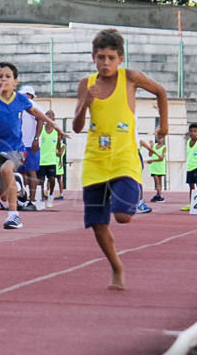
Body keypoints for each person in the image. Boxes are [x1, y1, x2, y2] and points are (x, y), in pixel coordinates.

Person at [72, 28, 168, 290]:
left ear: (121, 58)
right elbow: (77, 126)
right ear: (93, 57)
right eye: (101, 57)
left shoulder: (130, 78)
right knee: (98, 224)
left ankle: (135, 188)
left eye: (111, 58)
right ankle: (116, 266)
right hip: (95, 161)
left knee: (123, 216)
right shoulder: (87, 84)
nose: (105, 63)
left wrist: (164, 127)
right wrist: (85, 103)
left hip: (124, 158)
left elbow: (160, 92)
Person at [0, 61, 66, 230]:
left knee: (6, 170)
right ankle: (18, 186)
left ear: (15, 81)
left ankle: (14, 216)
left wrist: (53, 124)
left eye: (8, 77)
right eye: (0, 77)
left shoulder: (20, 99)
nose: (4, 80)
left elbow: (35, 112)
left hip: (16, 148)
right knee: (3, 196)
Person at [18, 86, 41, 210]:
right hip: (19, 144)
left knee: (31, 171)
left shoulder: (34, 106)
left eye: (27, 95)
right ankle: (21, 198)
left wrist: (36, 139)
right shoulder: (19, 105)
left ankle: (32, 200)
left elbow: (41, 120)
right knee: (19, 172)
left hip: (31, 144)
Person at [37, 110, 63, 206]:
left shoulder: (57, 132)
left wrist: (60, 159)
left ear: (54, 119)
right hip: (41, 160)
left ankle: (51, 195)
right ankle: (42, 198)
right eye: (47, 115)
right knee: (41, 181)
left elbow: (58, 146)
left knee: (52, 179)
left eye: (52, 115)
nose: (50, 117)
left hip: (52, 160)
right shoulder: (41, 129)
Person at [180, 123, 197, 211]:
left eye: (195, 131)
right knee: (191, 186)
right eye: (191, 131)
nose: (193, 133)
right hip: (189, 167)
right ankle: (192, 203)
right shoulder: (188, 142)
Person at [141, 133, 167, 202]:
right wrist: (151, 147)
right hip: (154, 167)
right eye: (158, 138)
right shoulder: (154, 146)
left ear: (163, 139)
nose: (159, 139)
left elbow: (161, 158)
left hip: (160, 167)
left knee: (159, 181)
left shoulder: (164, 147)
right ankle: (158, 194)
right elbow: (150, 154)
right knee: (156, 181)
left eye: (161, 138)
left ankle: (160, 194)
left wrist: (152, 160)